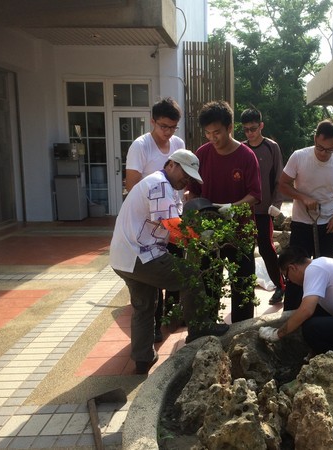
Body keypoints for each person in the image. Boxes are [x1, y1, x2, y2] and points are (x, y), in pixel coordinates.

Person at [110, 149, 229, 374]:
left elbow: (176, 218)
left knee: (144, 305)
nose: (187, 179)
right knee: (190, 276)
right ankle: (199, 329)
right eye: (185, 173)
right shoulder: (159, 185)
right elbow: (173, 227)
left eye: (190, 176)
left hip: (123, 258)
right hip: (141, 254)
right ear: (171, 164)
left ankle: (142, 358)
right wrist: (201, 237)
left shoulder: (164, 185)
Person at [187, 100, 262, 323]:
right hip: (210, 235)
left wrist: (232, 207)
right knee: (209, 286)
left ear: (230, 128)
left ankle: (242, 332)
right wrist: (199, 221)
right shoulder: (202, 154)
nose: (212, 138)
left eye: (217, 132)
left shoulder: (247, 156)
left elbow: (255, 194)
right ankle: (209, 331)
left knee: (243, 287)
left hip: (240, 234)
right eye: (208, 133)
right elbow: (194, 191)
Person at [124, 97, 185, 343]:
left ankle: (173, 314)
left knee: (174, 266)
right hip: (148, 225)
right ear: (152, 121)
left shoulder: (177, 144)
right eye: (163, 126)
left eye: (172, 127)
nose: (168, 133)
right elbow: (132, 185)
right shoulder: (141, 146)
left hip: (172, 216)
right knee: (151, 278)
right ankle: (155, 327)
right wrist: (158, 209)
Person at [278, 119, 333, 311]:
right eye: (320, 147)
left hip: (328, 223)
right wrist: (302, 197)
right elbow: (283, 184)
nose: (323, 153)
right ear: (315, 138)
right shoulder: (299, 157)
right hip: (302, 222)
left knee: (325, 270)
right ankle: (291, 311)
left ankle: (322, 311)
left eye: (329, 150)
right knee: (295, 269)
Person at [240, 107, 285, 305]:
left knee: (267, 249)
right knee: (244, 251)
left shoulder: (271, 147)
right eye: (246, 129)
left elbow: (279, 178)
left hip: (264, 210)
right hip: (243, 211)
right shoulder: (241, 149)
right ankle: (245, 290)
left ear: (261, 126)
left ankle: (281, 287)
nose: (250, 133)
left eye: (254, 128)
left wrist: (276, 204)